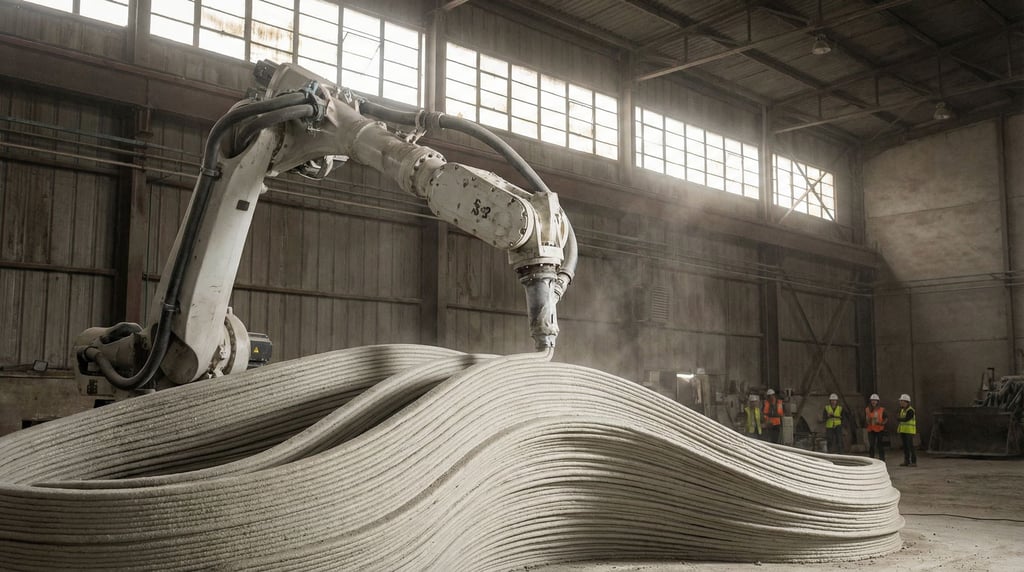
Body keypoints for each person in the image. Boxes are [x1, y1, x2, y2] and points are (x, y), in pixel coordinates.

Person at [865, 393, 888, 461]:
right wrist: (868, 420)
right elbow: (866, 419)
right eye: (872, 400)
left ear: (878, 401)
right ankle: (871, 459)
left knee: (880, 444)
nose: (873, 402)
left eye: (875, 400)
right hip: (871, 429)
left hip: (879, 429)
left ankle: (882, 458)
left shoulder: (882, 409)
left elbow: (886, 418)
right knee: (871, 445)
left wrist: (882, 423)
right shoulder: (867, 409)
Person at [897, 393, 917, 467]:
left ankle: (914, 461)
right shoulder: (902, 410)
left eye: (902, 401)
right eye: (900, 401)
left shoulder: (910, 410)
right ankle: (906, 461)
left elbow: (906, 419)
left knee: (910, 446)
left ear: (906, 402)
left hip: (909, 431)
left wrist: (899, 419)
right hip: (903, 431)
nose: (900, 402)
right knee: (905, 447)